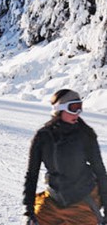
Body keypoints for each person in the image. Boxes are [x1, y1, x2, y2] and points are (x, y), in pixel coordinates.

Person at [23, 89, 107, 225]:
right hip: (54, 199)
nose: (78, 113)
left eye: (80, 107)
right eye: (73, 108)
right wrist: (29, 211)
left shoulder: (85, 134)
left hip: (83, 200)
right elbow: (32, 174)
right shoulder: (43, 137)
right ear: (59, 110)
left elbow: (100, 172)